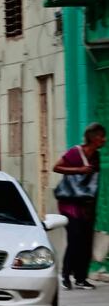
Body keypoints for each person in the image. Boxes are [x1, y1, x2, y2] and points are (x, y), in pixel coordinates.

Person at [53, 123, 106, 290]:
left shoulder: (96, 156)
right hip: (69, 204)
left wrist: (93, 208)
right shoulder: (76, 152)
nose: (104, 139)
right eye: (101, 136)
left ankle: (81, 278)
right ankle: (65, 276)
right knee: (75, 239)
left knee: (85, 241)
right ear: (92, 137)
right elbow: (56, 167)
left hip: (86, 205)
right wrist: (79, 169)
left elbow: (93, 183)